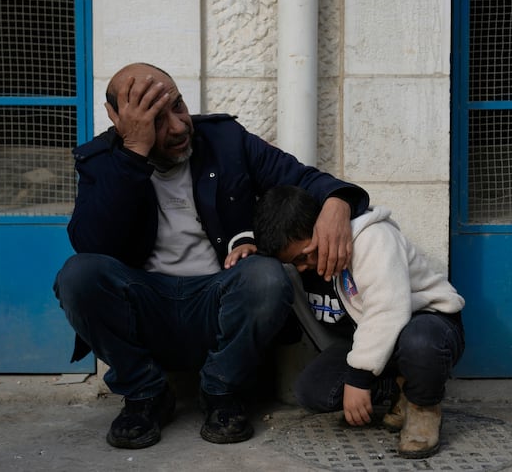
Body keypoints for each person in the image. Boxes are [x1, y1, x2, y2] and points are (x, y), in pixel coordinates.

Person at [52, 62, 369, 449]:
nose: (179, 126)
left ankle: (222, 391)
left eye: (179, 107)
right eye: (155, 119)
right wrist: (133, 153)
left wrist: (337, 203)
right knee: (77, 275)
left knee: (267, 276)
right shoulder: (103, 160)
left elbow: (302, 178)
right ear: (119, 120)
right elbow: (92, 245)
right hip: (147, 304)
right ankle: (145, 395)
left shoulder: (224, 140)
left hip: (219, 299)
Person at [253, 185, 465, 459]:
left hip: (431, 324)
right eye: (295, 262)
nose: (304, 266)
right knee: (313, 391)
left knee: (420, 342)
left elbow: (387, 310)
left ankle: (423, 406)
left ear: (321, 226)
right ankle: (401, 388)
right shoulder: (303, 255)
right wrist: (246, 245)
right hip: (376, 339)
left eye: (305, 255)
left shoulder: (372, 238)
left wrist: (359, 378)